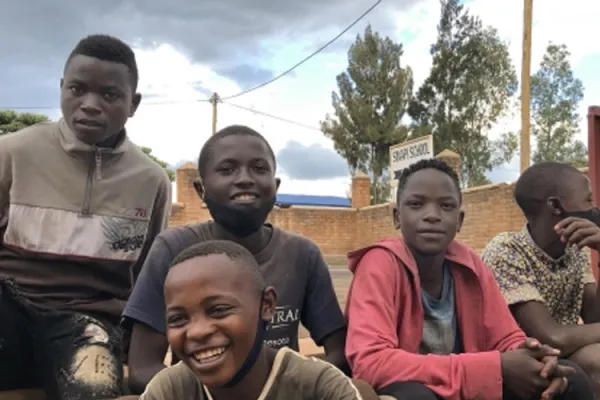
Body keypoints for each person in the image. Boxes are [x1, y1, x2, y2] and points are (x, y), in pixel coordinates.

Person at [0, 34, 171, 399]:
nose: (90, 105)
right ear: (62, 88)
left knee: (91, 389)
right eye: (77, 89)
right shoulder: (12, 154)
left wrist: (135, 351)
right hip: (9, 309)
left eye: (109, 95)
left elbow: (146, 279)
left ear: (133, 103)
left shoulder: (151, 180)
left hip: (89, 322)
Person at [123, 125, 347, 393]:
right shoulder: (173, 250)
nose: (244, 179)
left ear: (275, 187)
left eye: (259, 169)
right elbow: (142, 368)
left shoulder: (302, 255)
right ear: (200, 189)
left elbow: (340, 355)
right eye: (227, 169)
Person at [344, 159, 593, 400]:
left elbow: (506, 337)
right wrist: (492, 367)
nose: (432, 215)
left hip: (470, 382)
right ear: (397, 216)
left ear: (460, 220)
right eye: (416, 204)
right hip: (421, 386)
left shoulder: (469, 264)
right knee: (415, 395)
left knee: (568, 380)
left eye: (446, 206)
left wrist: (535, 356)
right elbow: (371, 363)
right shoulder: (379, 264)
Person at [131, 240, 369, 400]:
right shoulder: (170, 391)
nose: (196, 332)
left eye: (219, 310)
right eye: (178, 319)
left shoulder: (319, 387)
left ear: (266, 305)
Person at [482, 161, 600, 397]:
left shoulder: (575, 249)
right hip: (518, 362)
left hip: (561, 353)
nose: (594, 208)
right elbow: (551, 336)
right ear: (555, 205)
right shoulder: (507, 250)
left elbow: (594, 319)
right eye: (588, 200)